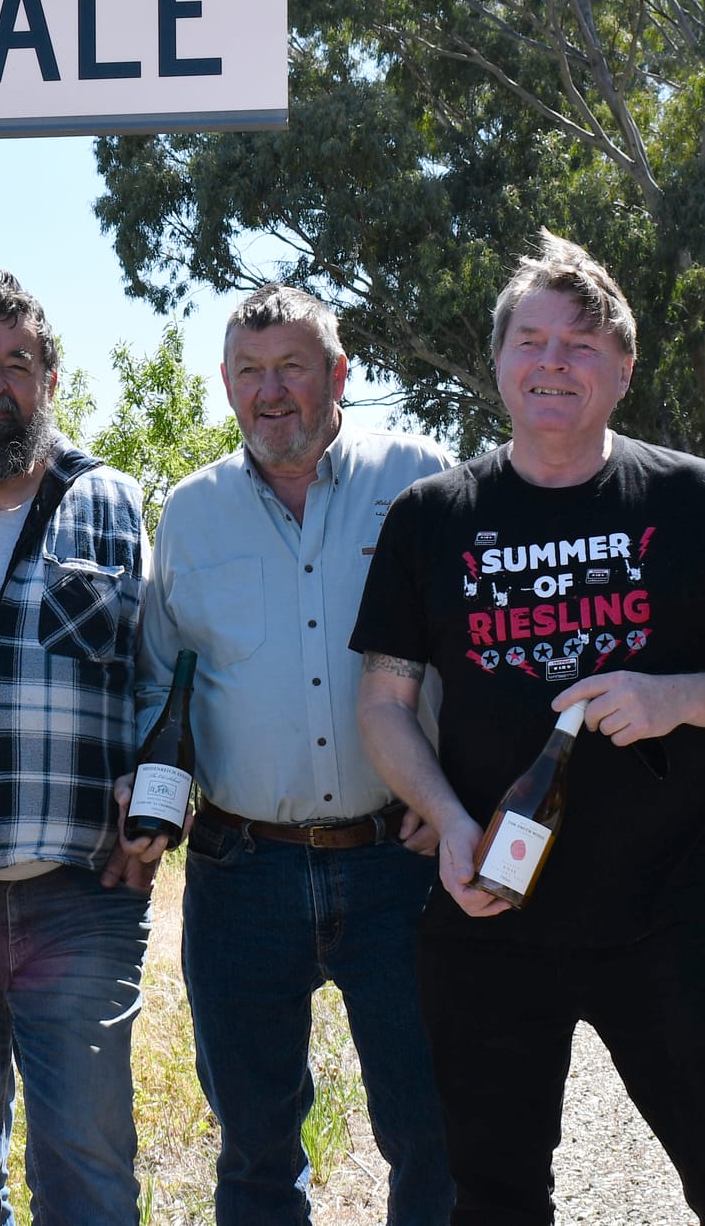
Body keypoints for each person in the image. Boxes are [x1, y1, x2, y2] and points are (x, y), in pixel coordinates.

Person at [351, 231, 705, 1225]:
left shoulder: (692, 500)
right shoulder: (430, 517)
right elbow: (383, 705)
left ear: (622, 369)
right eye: (530, 340)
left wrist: (674, 696)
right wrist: (443, 815)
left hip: (668, 912)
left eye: (580, 343)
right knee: (494, 1190)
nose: (551, 362)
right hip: (491, 912)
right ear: (497, 362)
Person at [123, 284, 455, 1223]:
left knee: (432, 1131)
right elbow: (160, 679)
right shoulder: (189, 514)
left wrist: (457, 789)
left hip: (401, 862)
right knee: (258, 1147)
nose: (272, 393)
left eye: (293, 368)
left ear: (339, 375)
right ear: (226, 387)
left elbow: (474, 653)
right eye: (249, 373)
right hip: (242, 873)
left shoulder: (421, 480)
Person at [0, 270, 151, 1226]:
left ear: (52, 378)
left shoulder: (111, 502)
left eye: (19, 363)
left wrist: (159, 794)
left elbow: (157, 680)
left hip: (78, 899)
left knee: (89, 1176)